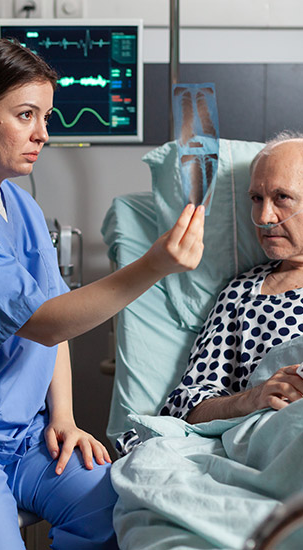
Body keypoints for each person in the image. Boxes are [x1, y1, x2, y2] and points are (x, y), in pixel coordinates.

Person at [0, 37, 205, 550]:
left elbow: (54, 322)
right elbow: (47, 320)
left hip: (28, 438)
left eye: (46, 116)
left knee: (126, 513)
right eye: (25, 115)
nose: (43, 133)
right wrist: (155, 265)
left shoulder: (20, 207)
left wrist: (63, 418)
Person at [117, 132, 303, 456]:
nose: (263, 218)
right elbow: (185, 407)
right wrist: (254, 398)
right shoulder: (244, 294)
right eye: (256, 199)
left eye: (282, 198)